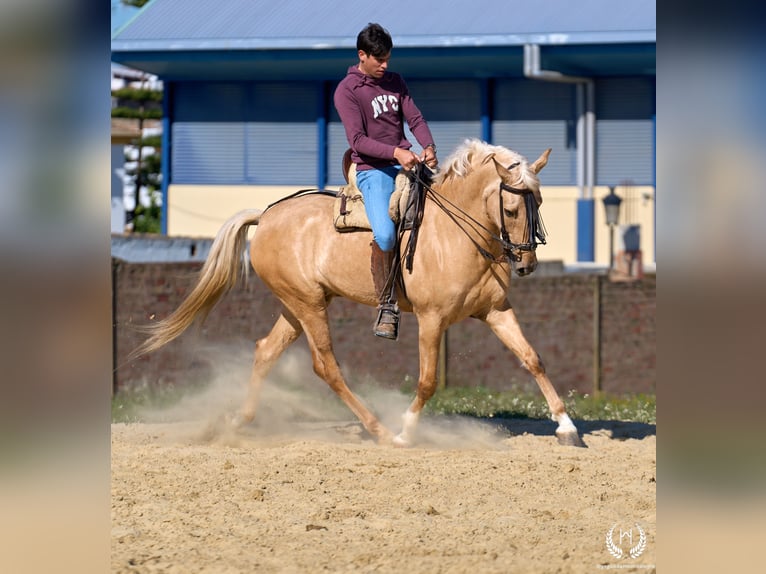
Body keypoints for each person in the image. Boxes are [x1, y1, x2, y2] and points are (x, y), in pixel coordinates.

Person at [334, 22, 438, 340]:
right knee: (385, 235)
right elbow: (358, 141)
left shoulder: (395, 82)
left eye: (388, 59)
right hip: (372, 170)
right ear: (362, 55)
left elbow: (415, 118)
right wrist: (396, 152)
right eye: (379, 59)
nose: (385, 65)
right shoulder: (347, 91)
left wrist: (428, 145)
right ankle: (386, 306)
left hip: (404, 163)